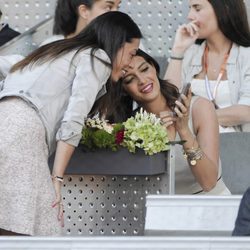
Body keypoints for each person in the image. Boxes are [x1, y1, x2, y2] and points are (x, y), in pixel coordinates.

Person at [0, 11, 142, 236]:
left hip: (6, 120)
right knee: (37, 230)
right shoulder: (98, 57)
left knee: (16, 222)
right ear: (116, 42)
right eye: (132, 53)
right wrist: (57, 178)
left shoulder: (54, 50)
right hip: (23, 132)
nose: (131, 63)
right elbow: (73, 118)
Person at [112, 49, 230, 195]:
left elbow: (208, 182)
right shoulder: (130, 127)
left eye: (144, 69)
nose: (142, 81)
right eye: (130, 79)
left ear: (154, 68)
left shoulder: (199, 107)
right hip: (164, 209)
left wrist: (184, 129)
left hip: (210, 204)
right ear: (123, 89)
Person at [165, 0, 250, 133]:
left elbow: (246, 111)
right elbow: (168, 101)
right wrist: (178, 50)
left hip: (236, 148)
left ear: (224, 9)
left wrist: (192, 119)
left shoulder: (246, 55)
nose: (190, 16)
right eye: (190, 9)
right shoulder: (190, 54)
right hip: (192, 148)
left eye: (197, 9)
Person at [40, 0, 121, 46]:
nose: (117, 14)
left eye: (118, 7)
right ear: (84, 11)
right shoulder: (52, 48)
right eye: (108, 7)